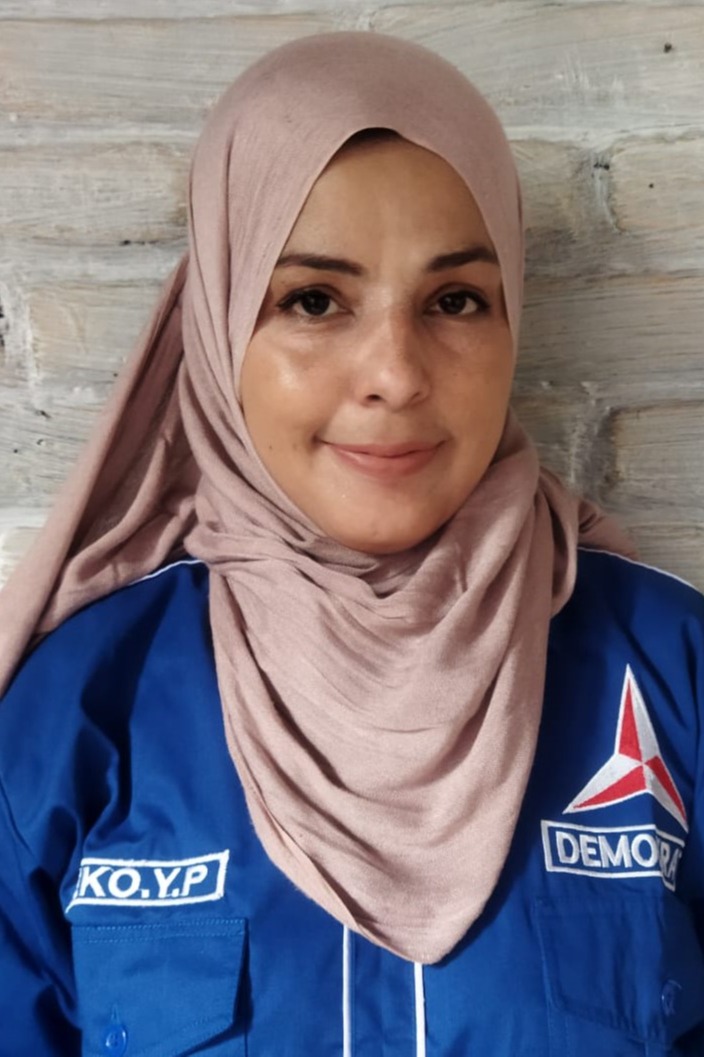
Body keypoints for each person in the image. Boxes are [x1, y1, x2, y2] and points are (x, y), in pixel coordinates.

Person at [0, 30, 703, 1057]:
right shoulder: (82, 710)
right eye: (314, 301)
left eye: (454, 301)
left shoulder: (669, 672)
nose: (395, 374)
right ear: (217, 324)